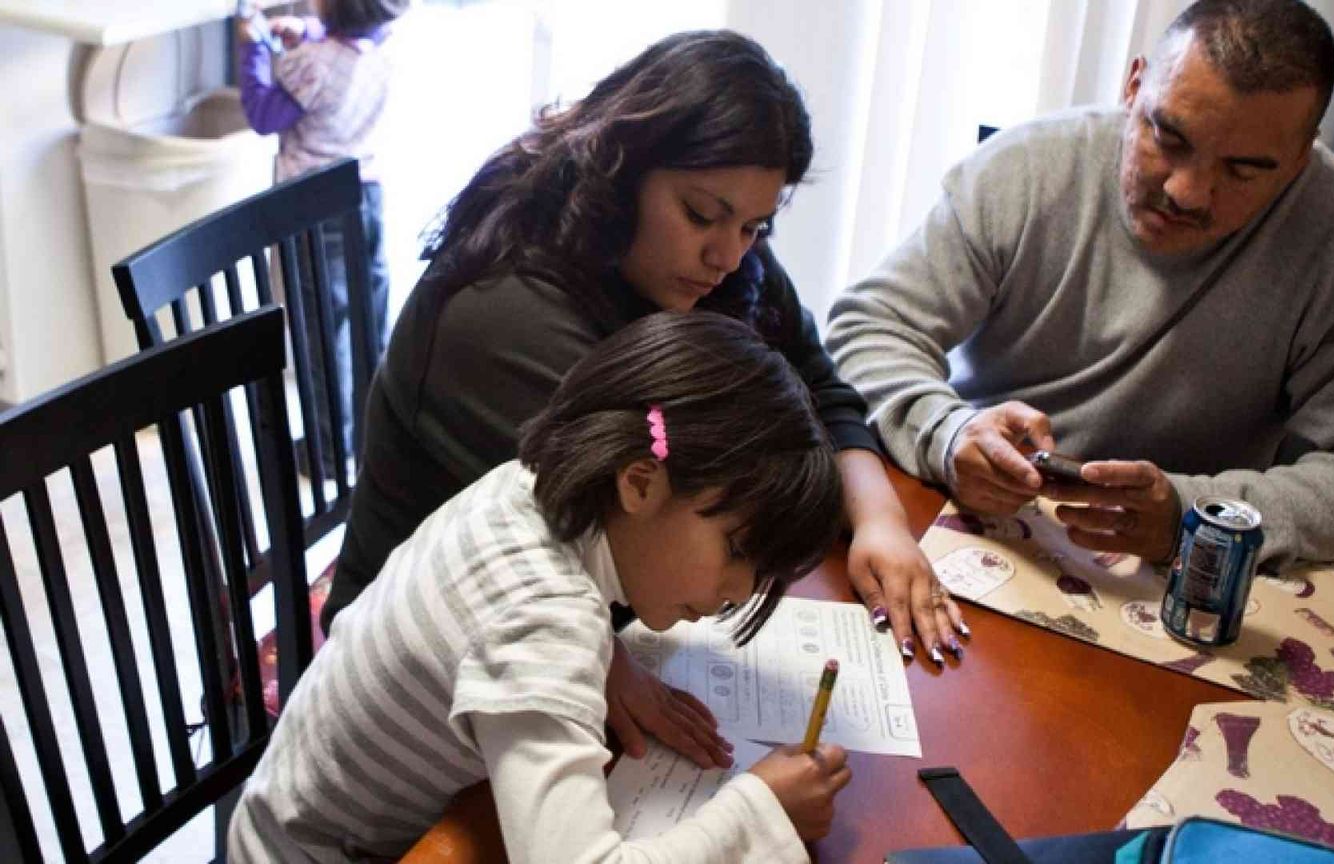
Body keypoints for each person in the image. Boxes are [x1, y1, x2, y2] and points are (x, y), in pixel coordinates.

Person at [322, 30, 969, 770]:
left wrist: (880, 520)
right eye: (701, 215)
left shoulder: (715, 260)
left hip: (602, 621)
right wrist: (611, 664)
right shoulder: (502, 315)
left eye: (755, 226)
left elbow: (816, 382)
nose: (727, 254)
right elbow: (635, 533)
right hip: (430, 693)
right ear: (620, 168)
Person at [825, 0, 1334, 572]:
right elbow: (870, 323)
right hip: (961, 517)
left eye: (1242, 169)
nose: (1186, 192)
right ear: (1133, 88)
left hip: (1176, 571)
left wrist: (1195, 514)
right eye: (1169, 136)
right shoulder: (1028, 168)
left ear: (1300, 158)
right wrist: (948, 433)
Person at [229, 312, 852, 862]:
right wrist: (763, 811)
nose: (739, 592)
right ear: (639, 483)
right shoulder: (545, 616)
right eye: (736, 550)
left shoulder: (530, 483)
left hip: (300, 818)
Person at [237, 0, 403, 478]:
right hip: (366, 194)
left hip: (313, 207)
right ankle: (372, 436)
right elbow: (342, 51)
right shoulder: (381, 47)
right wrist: (310, 30)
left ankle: (328, 451)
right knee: (369, 318)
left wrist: (252, 49)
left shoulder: (313, 62)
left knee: (320, 330)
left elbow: (264, 114)